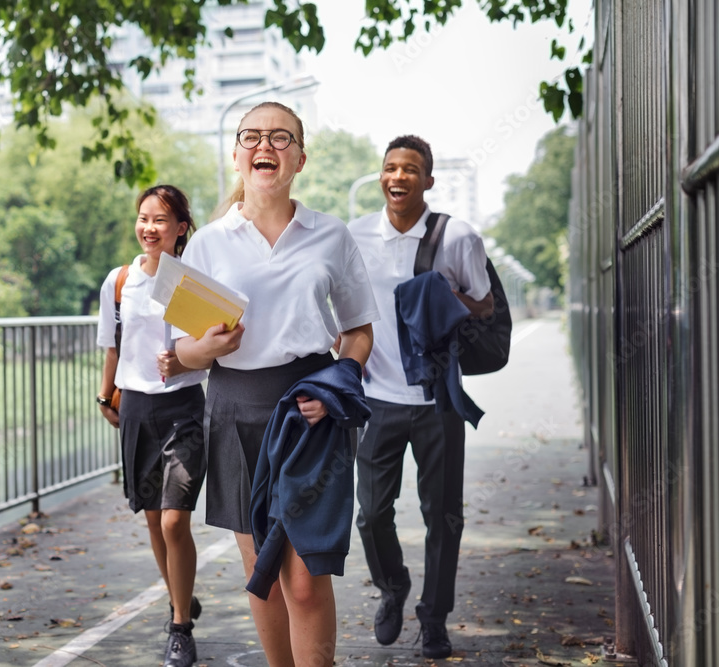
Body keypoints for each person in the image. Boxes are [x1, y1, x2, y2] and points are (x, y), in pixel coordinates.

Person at [174, 101, 378, 667]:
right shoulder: (210, 243)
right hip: (235, 406)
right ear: (237, 155)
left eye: (281, 138)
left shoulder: (330, 236)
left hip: (312, 408)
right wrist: (206, 347)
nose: (266, 146)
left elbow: (359, 332)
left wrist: (338, 387)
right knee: (260, 569)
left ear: (301, 158)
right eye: (253, 137)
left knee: (307, 577)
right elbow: (182, 351)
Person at [346, 135, 494, 660]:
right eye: (390, 168)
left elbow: (484, 303)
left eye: (410, 169)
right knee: (369, 513)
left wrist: (441, 298)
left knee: (443, 516)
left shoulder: (457, 237)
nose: (398, 176)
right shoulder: (356, 234)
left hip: (437, 399)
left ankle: (435, 619)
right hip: (377, 398)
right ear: (381, 177)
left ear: (428, 180)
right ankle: (393, 587)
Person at [95, 185, 208, 667]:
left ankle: (180, 627)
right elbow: (112, 345)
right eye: (143, 218)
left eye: (160, 220)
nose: (149, 228)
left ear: (180, 228)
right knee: (153, 522)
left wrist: (181, 363)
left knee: (174, 518)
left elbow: (209, 344)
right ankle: (179, 596)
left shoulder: (192, 281)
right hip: (137, 408)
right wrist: (106, 394)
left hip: (183, 408)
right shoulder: (120, 281)